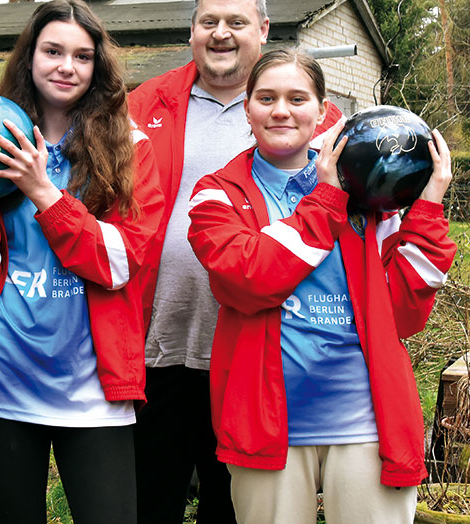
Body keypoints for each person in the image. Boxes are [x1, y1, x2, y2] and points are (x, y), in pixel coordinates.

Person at [186, 48, 456, 524]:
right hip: (267, 425)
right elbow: (249, 280)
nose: (282, 110)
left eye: (297, 97)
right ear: (247, 109)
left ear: (322, 111)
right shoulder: (218, 193)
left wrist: (428, 207)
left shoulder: (373, 196)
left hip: (367, 422)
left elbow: (406, 316)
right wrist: (327, 200)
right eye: (266, 97)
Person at [0, 0, 163, 524]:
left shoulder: (131, 147)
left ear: (97, 67)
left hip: (92, 385)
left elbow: (121, 264)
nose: (66, 66)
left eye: (82, 56)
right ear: (29, 57)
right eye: (52, 51)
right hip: (4, 380)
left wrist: (43, 192)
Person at [127, 0, 341, 523]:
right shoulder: (145, 104)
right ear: (192, 30)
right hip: (161, 339)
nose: (221, 33)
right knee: (153, 498)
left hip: (259, 349)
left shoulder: (318, 124)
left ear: (263, 29)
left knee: (234, 506)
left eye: (237, 22)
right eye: (209, 21)